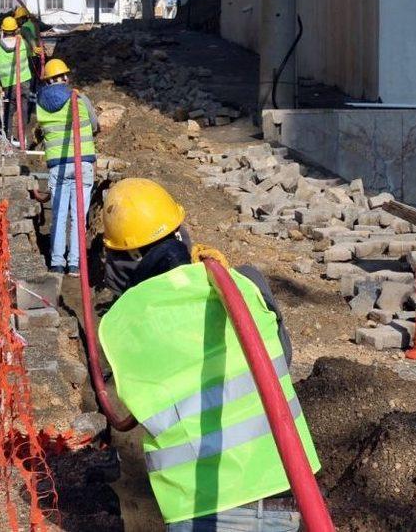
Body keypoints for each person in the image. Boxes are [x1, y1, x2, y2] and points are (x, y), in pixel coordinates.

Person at [98, 178, 319, 531]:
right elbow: (283, 357)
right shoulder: (243, 283)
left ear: (127, 259)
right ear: (180, 233)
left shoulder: (121, 324)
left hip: (200, 505)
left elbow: (134, 406)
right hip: (284, 487)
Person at [36, 59, 99, 276]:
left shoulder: (39, 103)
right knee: (78, 217)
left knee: (59, 215)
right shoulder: (78, 98)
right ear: (64, 77)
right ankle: (75, 263)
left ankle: (56, 263)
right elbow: (94, 124)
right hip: (82, 163)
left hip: (57, 167)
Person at [0, 16, 34, 146]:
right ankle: (23, 138)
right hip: (24, 81)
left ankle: (8, 137)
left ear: (2, 30)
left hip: (8, 85)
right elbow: (30, 58)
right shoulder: (23, 43)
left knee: (9, 111)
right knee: (24, 110)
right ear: (16, 30)